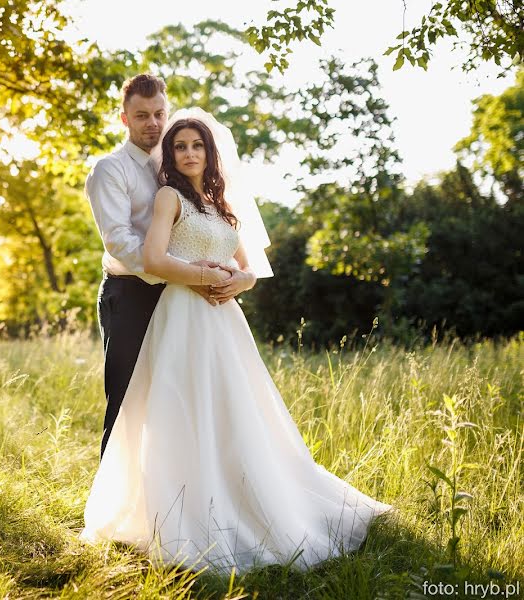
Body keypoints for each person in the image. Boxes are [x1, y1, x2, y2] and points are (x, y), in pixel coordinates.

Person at [79, 109, 393, 574]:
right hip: (184, 313)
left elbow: (248, 268)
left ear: (210, 152)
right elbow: (154, 258)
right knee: (183, 406)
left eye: (196, 146)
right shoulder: (168, 197)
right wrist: (207, 276)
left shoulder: (221, 203)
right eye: (180, 146)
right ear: (171, 152)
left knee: (236, 407)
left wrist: (237, 283)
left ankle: (245, 492)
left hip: (225, 318)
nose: (188, 153)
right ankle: (179, 507)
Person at [84, 74, 256, 459]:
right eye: (142, 115)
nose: (153, 123)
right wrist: (187, 273)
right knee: (127, 398)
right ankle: (115, 504)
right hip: (130, 293)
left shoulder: (177, 162)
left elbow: (206, 229)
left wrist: (232, 277)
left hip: (179, 298)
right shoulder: (110, 170)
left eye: (159, 113)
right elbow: (120, 241)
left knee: (175, 400)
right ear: (125, 118)